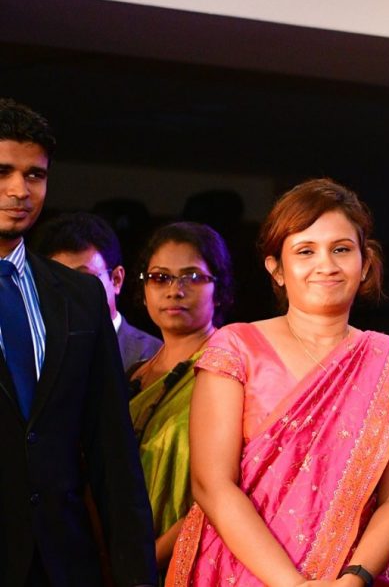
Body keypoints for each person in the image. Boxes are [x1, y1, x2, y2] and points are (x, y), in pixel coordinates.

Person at [169, 178, 389, 587]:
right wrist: (293, 584)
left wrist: (355, 577)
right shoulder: (237, 347)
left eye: (341, 249)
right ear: (276, 268)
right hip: (241, 574)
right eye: (306, 251)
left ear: (364, 263)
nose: (326, 265)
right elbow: (212, 484)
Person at [0, 99, 157, 586]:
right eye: (3, 171)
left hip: (64, 565)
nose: (19, 190)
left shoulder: (80, 295)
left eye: (34, 175)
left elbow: (112, 452)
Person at [127, 222, 234, 568]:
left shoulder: (230, 369)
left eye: (192, 277)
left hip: (195, 563)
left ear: (219, 289)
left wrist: (150, 558)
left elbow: (232, 487)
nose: (175, 290)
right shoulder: (133, 375)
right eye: (160, 278)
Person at [33, 211, 163, 371]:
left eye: (83, 277)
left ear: (116, 279)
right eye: (59, 279)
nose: (70, 291)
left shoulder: (154, 355)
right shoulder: (34, 351)